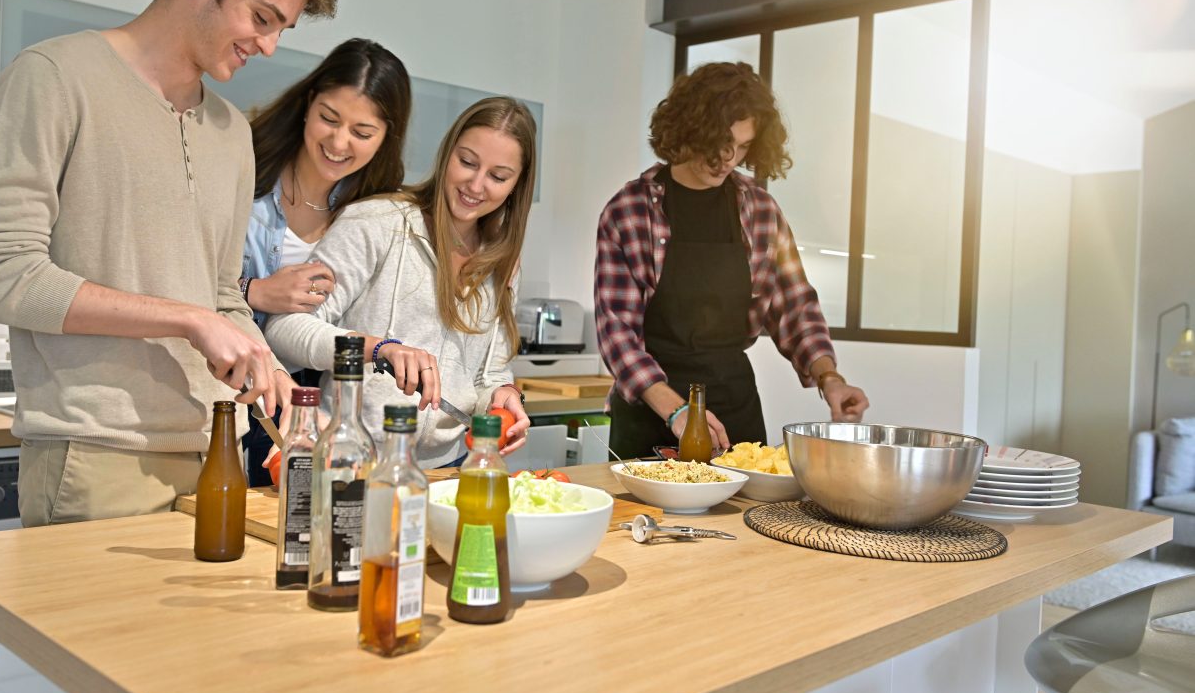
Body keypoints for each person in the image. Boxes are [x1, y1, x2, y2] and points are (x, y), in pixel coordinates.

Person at [0, 0, 338, 526]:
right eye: (261, 18)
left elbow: (219, 294)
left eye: (281, 30)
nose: (269, 46)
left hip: (219, 447)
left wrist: (265, 369)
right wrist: (187, 319)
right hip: (96, 457)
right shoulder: (54, 77)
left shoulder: (231, 130)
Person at [594, 61, 868, 461]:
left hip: (733, 401)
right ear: (689, 129)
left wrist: (831, 379)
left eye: (742, 147)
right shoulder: (629, 211)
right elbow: (617, 334)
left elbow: (795, 306)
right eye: (721, 143)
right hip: (652, 409)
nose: (728, 159)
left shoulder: (760, 209)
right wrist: (677, 411)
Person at [264, 97, 537, 468]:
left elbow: (489, 372)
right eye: (467, 162)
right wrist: (376, 348)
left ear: (517, 185)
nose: (475, 184)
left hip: (447, 468)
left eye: (498, 176)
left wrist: (504, 392)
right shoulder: (375, 223)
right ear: (447, 154)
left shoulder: (503, 262)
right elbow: (284, 329)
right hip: (350, 461)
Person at [238, 38, 412, 479]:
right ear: (308, 103)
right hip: (239, 386)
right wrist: (255, 291)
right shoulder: (242, 169)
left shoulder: (375, 208)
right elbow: (183, 279)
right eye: (328, 119)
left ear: (386, 137)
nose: (338, 142)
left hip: (323, 394)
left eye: (362, 132)